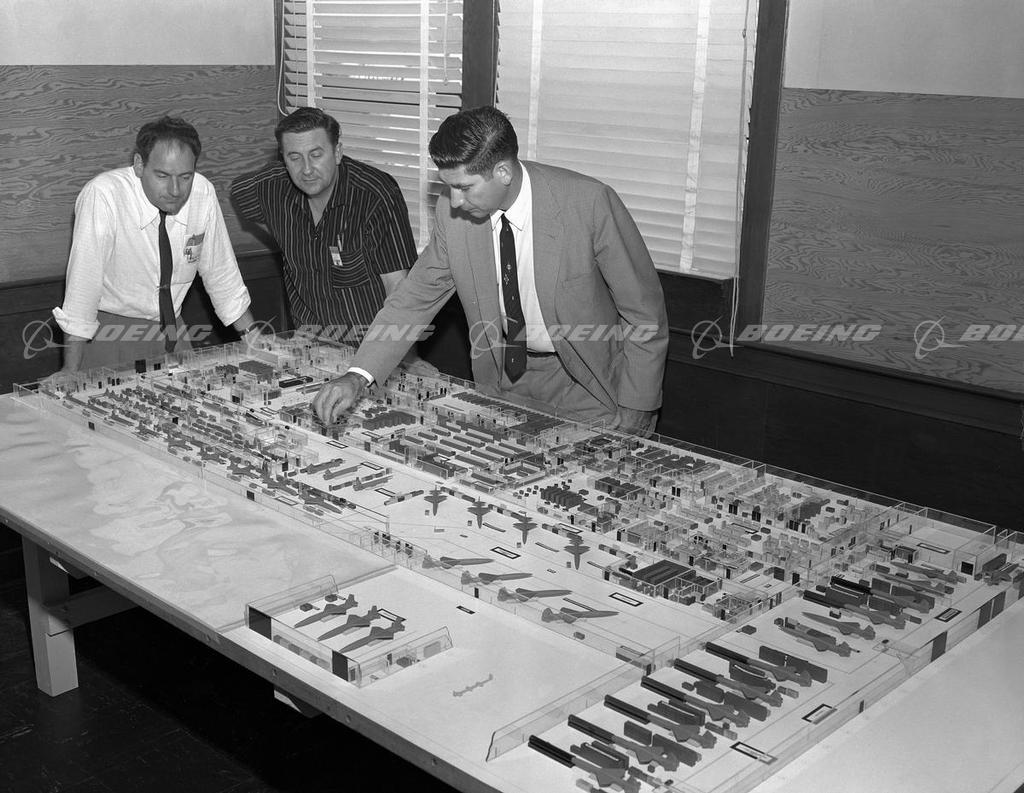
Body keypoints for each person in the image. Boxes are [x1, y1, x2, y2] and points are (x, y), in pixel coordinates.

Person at [312, 105, 668, 435]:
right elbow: (412, 300)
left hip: (587, 383)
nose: (454, 201)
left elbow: (644, 313)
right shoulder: (453, 214)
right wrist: (358, 376)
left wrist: (638, 406)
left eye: (464, 187)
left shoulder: (588, 203)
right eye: (449, 186)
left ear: (503, 172)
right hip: (502, 380)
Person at [230, 107, 434, 371]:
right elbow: (237, 192)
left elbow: (398, 288)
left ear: (337, 152)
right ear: (283, 158)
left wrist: (405, 359)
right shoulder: (271, 187)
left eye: (316, 155)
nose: (306, 169)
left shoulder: (375, 195)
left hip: (372, 352)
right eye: (294, 157)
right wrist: (279, 234)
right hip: (308, 350)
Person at [52, 116, 256, 373]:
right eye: (162, 175)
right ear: (139, 165)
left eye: (185, 176)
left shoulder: (202, 192)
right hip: (111, 333)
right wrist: (70, 370)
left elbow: (221, 273)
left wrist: (253, 339)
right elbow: (83, 287)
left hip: (174, 330)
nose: (175, 190)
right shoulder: (104, 195)